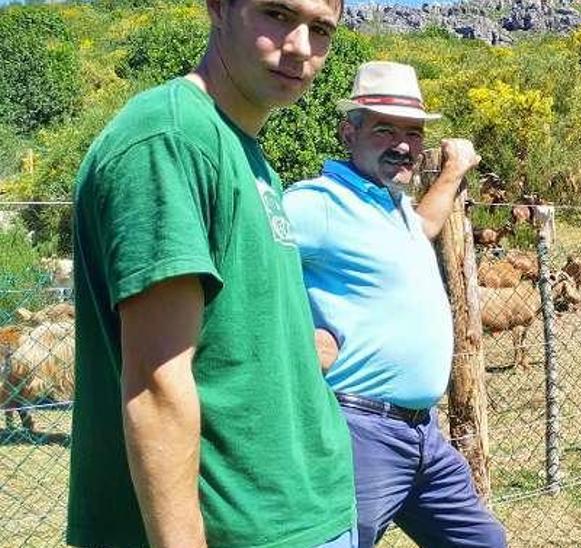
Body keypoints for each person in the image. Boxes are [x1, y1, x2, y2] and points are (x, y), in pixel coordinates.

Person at [66, 0, 357, 545]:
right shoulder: (169, 140)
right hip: (239, 529)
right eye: (276, 14)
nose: (299, 47)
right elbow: (157, 387)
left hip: (297, 514)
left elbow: (229, 333)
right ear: (218, 8)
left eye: (320, 29)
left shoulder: (247, 153)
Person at [282, 61, 507, 548]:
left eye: (413, 132)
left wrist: (453, 170)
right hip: (359, 430)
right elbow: (240, 267)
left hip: (424, 433)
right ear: (349, 132)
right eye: (384, 129)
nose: (403, 144)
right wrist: (294, 334)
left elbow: (426, 226)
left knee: (482, 542)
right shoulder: (315, 203)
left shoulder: (392, 206)